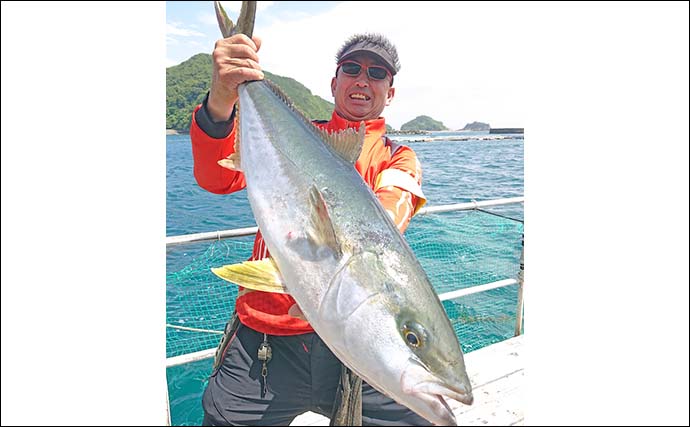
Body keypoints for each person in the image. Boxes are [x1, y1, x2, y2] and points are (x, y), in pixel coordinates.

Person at [190, 32, 429, 426]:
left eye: (377, 73)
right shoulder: (287, 134)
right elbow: (216, 178)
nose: (362, 80)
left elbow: (387, 222)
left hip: (357, 349)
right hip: (266, 341)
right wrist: (221, 101)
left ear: (390, 92)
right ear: (334, 84)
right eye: (351, 69)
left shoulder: (398, 158)